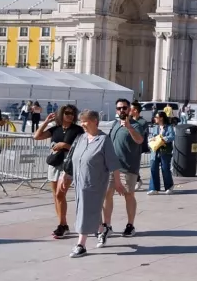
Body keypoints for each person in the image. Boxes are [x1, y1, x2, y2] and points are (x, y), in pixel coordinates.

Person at [60, 110, 124, 258]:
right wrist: (66, 174)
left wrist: (118, 182)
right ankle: (102, 229)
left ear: (95, 121)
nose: (82, 124)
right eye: (81, 121)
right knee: (86, 210)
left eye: (86, 121)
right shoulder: (81, 138)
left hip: (95, 183)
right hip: (79, 182)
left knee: (85, 211)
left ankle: (81, 244)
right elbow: (73, 159)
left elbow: (113, 163)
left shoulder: (104, 140)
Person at [100, 99, 147, 244]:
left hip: (128, 167)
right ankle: (107, 224)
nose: (122, 110)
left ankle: (130, 224)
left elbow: (139, 140)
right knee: (107, 194)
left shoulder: (137, 125)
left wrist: (129, 128)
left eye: (124, 108)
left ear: (129, 109)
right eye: (119, 108)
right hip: (111, 167)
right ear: (116, 110)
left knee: (128, 195)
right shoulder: (114, 124)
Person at [33, 104, 82, 239]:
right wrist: (46, 122)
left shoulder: (78, 130)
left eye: (72, 113)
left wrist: (64, 145)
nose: (70, 116)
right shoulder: (56, 129)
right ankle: (63, 224)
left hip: (67, 165)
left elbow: (82, 148)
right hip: (54, 164)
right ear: (61, 114)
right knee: (56, 195)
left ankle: (62, 224)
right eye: (67, 113)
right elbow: (36, 136)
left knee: (61, 194)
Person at [148, 111, 175, 194]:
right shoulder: (155, 127)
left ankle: (169, 186)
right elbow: (151, 136)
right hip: (155, 151)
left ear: (161, 118)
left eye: (156, 117)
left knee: (165, 168)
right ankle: (154, 188)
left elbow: (172, 136)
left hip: (165, 151)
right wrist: (151, 139)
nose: (155, 119)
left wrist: (164, 139)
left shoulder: (169, 127)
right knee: (153, 168)